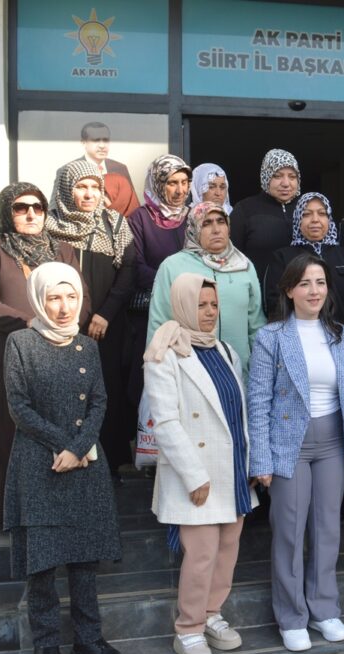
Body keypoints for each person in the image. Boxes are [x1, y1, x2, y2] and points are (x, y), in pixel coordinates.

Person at [3, 262, 123, 654]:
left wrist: (78, 446)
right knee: (41, 565)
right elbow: (19, 407)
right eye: (54, 297)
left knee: (84, 559)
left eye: (71, 296)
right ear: (39, 299)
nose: (63, 306)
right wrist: (65, 445)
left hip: (84, 463)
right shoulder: (20, 342)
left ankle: (88, 640)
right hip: (40, 463)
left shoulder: (87, 346)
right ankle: (46, 646)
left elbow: (99, 402)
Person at [247, 253, 344, 652]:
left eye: (320, 283)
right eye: (304, 283)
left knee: (328, 529)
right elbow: (258, 400)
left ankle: (324, 609)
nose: (314, 291)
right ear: (288, 290)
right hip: (289, 445)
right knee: (289, 531)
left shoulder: (342, 334)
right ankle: (291, 616)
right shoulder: (271, 337)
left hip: (333, 443)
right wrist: (261, 459)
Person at [144, 273, 256, 654]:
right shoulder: (165, 353)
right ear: (182, 306)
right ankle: (188, 629)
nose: (209, 313)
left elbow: (238, 413)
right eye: (200, 305)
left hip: (232, 467)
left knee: (227, 549)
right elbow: (166, 422)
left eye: (213, 305)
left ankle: (211, 614)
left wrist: (250, 463)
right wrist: (195, 476)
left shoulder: (225, 350)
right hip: (197, 473)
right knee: (202, 554)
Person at [0, 183, 86, 529]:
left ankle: (59, 514)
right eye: (21, 208)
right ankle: (14, 517)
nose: (32, 214)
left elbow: (82, 296)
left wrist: (61, 329)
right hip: (11, 353)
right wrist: (33, 324)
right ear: (7, 212)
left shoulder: (62, 249)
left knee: (62, 428)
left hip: (60, 353)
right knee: (13, 431)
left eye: (38, 207)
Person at [48, 160, 136, 484]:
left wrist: (105, 313)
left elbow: (128, 272)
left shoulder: (114, 223)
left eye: (95, 187)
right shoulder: (50, 225)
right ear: (66, 190)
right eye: (81, 187)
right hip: (62, 325)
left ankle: (108, 465)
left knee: (105, 390)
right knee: (66, 391)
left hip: (105, 327)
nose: (89, 194)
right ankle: (68, 459)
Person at [149, 202, 266, 374]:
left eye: (221, 221)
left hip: (240, 374)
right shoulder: (172, 266)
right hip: (190, 374)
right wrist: (158, 371)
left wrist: (261, 372)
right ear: (194, 229)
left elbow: (256, 325)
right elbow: (159, 325)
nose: (216, 230)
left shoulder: (243, 265)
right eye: (206, 223)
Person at [128, 155, 193, 407]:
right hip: (153, 313)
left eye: (185, 182)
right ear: (157, 183)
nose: (180, 190)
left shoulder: (194, 217)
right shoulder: (140, 218)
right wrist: (173, 284)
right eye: (172, 183)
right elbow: (135, 266)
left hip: (191, 312)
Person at [263, 192, 344, 325]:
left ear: (329, 218)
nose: (315, 220)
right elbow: (274, 304)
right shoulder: (282, 257)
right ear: (297, 219)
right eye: (306, 214)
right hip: (300, 334)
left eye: (322, 213)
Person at [230, 149, 301, 280]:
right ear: (266, 176)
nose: (286, 183)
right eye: (277, 176)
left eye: (292, 176)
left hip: (302, 289)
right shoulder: (245, 209)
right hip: (258, 288)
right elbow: (231, 256)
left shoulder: (307, 208)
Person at [54, 121, 138, 216]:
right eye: (95, 140)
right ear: (83, 142)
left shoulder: (120, 168)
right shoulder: (68, 170)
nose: (102, 146)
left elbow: (130, 203)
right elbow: (57, 206)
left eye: (105, 140)